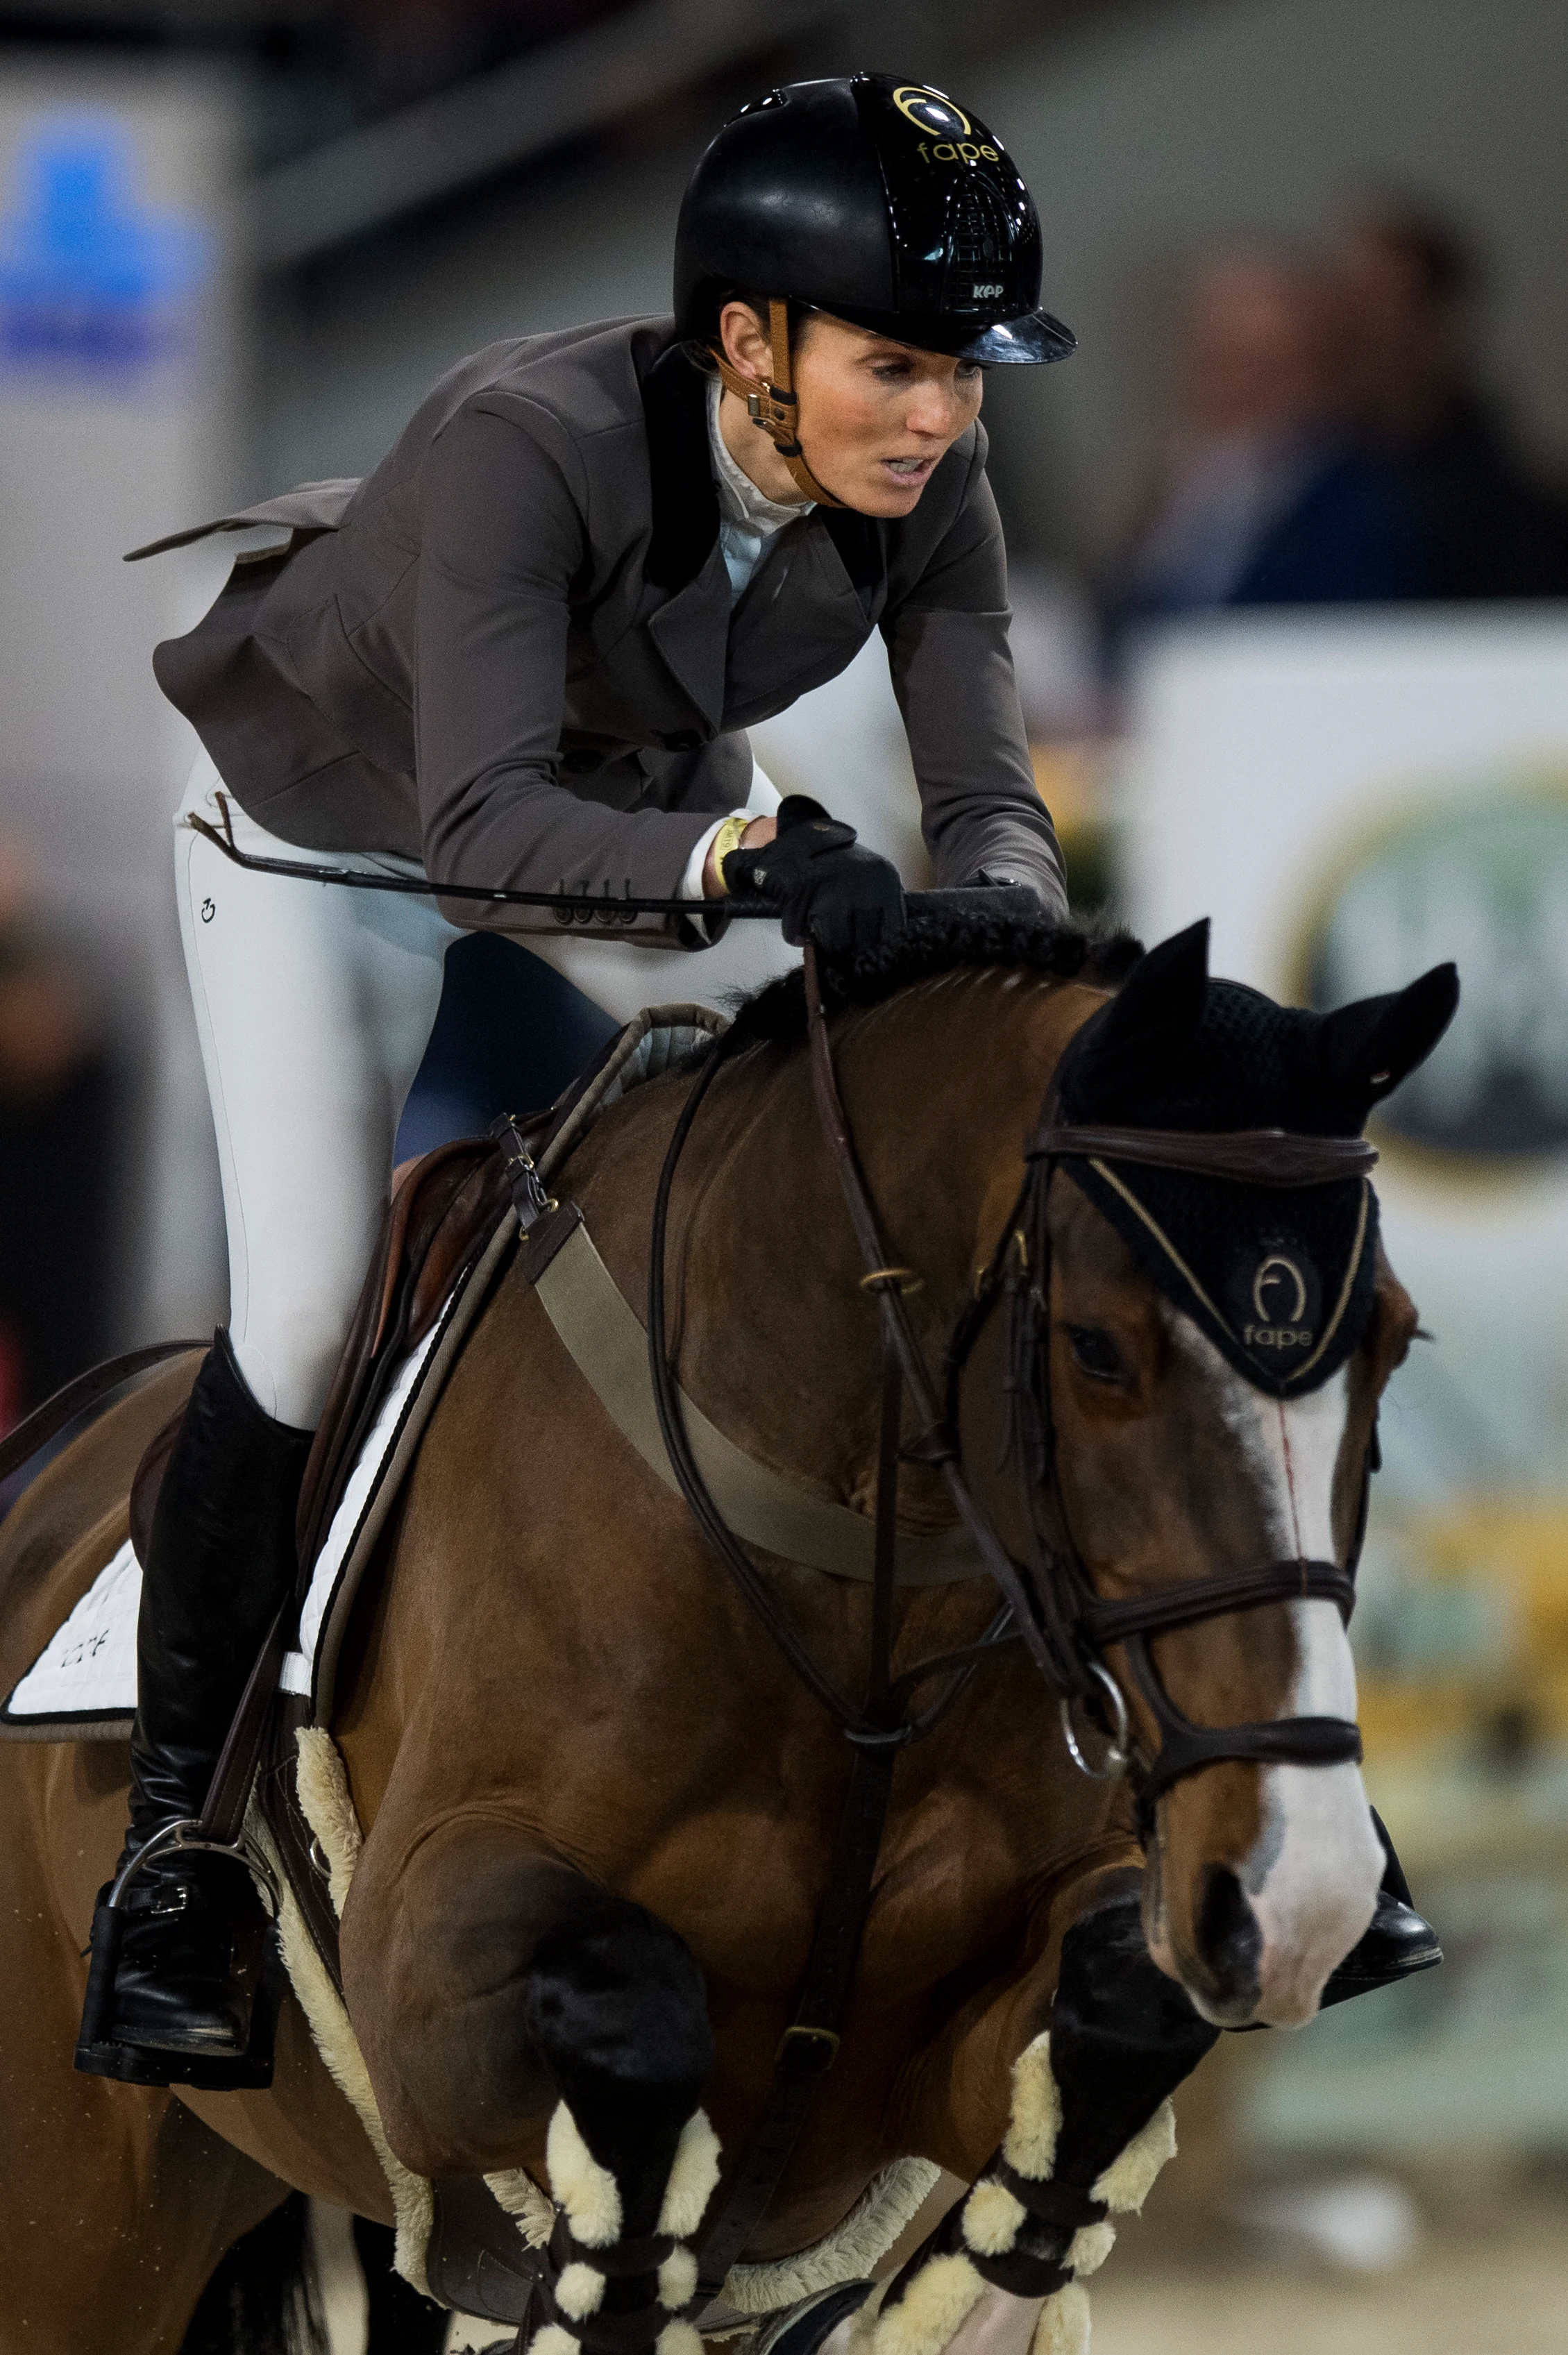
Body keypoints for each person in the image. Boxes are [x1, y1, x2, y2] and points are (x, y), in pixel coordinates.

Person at [76, 74, 1076, 2084]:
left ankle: (1122, 1736)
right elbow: (473, 834)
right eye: (897, 366)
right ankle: (168, 1851)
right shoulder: (517, 442)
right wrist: (744, 869)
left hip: (632, 820)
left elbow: (991, 804)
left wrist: (1002, 942)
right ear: (748, 344)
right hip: (330, 845)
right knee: (299, 1312)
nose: (941, 415)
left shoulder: (925, 483)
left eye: (961, 374)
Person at [1104, 247, 1429, 645]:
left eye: (1264, 367)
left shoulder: (1358, 512)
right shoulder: (1176, 485)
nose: (1235, 390)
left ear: (1316, 370)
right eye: (1218, 361)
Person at [1336, 199, 1568, 600]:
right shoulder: (1299, 482)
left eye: (1377, 309)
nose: (1360, 334)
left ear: (1439, 326)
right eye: (1347, 310)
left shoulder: (1501, 515)